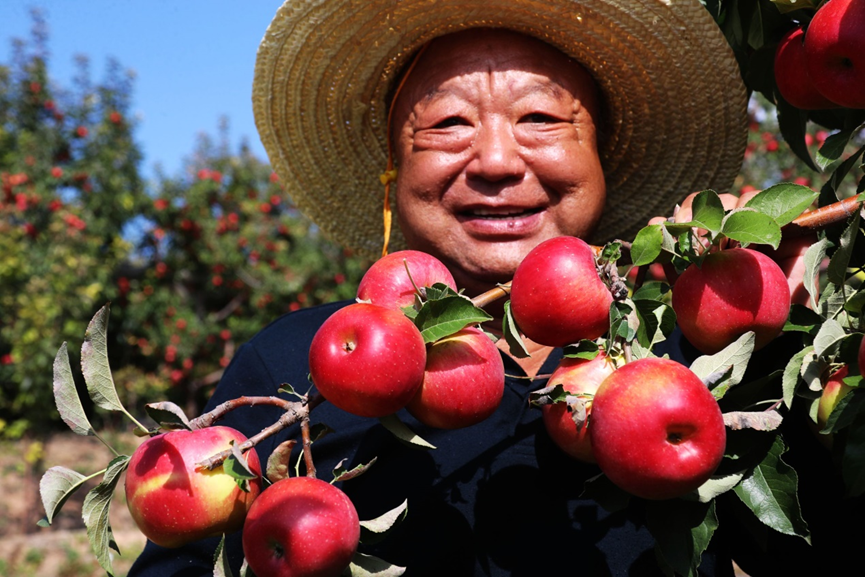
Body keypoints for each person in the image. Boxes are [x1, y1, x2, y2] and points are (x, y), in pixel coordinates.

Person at [128, 0, 835, 575]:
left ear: (602, 155)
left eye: (540, 118)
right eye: (446, 125)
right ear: (392, 172)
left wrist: (812, 329)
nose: (495, 160)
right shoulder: (296, 369)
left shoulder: (697, 349)